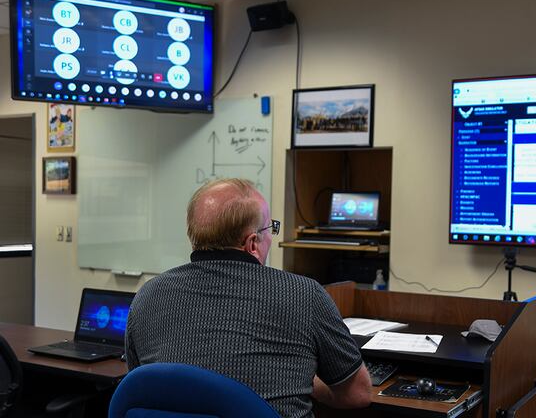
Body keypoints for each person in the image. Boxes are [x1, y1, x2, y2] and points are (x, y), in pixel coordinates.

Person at [125, 178, 371, 417]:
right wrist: (311, 384)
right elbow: (358, 393)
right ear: (252, 243)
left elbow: (142, 385)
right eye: (270, 229)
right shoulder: (304, 295)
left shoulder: (147, 295)